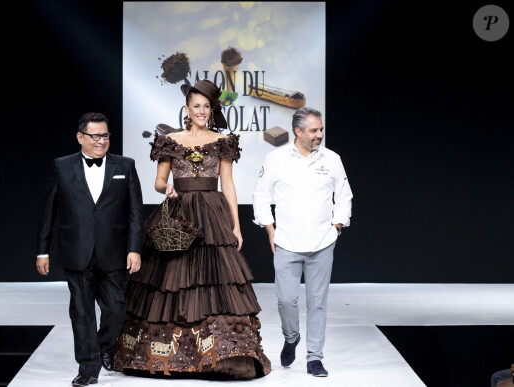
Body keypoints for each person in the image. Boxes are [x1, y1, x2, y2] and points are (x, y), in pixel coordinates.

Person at [113, 79, 271, 379]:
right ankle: (168, 357)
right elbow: (158, 181)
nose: (201, 111)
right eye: (196, 106)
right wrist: (167, 188)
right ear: (187, 109)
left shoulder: (222, 140)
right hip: (179, 212)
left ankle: (218, 355)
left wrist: (236, 226)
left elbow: (228, 184)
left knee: (212, 280)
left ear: (212, 110)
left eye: (206, 106)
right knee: (172, 279)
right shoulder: (169, 140)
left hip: (212, 214)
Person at [36, 112, 144, 387]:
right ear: (80, 137)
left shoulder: (126, 165)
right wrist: (42, 251)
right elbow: (48, 212)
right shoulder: (62, 166)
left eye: (105, 135)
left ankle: (106, 345)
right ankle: (88, 366)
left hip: (115, 252)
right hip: (77, 250)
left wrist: (134, 249)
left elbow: (135, 213)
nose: (101, 141)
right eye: (95, 136)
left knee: (116, 307)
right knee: (82, 311)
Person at [252, 107, 353, 377]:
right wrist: (270, 230)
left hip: (322, 243)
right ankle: (291, 337)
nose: (319, 134)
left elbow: (344, 197)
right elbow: (261, 195)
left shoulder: (332, 159)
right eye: (314, 130)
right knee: (286, 301)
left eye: (320, 130)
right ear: (298, 132)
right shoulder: (276, 159)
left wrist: (338, 226)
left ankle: (314, 358)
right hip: (286, 242)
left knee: (318, 302)